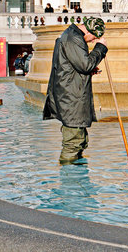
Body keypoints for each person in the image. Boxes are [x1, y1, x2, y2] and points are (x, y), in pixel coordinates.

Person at [43, 16, 108, 164]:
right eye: (94, 38)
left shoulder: (72, 36)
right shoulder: (73, 39)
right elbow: (85, 65)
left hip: (71, 93)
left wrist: (89, 69)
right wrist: (100, 48)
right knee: (73, 142)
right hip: (72, 97)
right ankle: (69, 178)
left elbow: (76, 65)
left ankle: (75, 178)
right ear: (89, 31)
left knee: (80, 139)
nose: (92, 41)